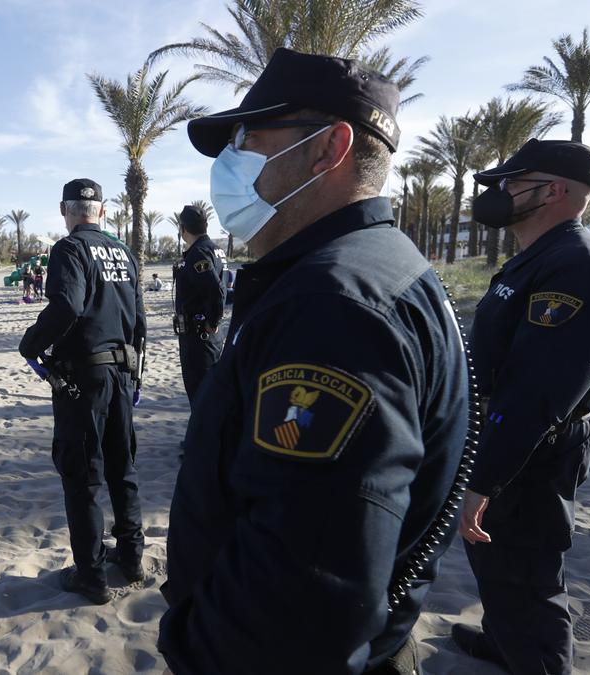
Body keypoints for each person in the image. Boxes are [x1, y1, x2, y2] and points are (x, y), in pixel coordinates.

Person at [156, 47, 471, 674]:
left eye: (247, 138)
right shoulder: (375, 264)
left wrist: (197, 648)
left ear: (329, 148)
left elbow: (301, 603)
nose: (228, 161)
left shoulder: (333, 308)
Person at [452, 140, 590, 675]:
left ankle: (537, 660)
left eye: (513, 182)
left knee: (525, 571)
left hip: (534, 443)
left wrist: (484, 479)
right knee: (496, 560)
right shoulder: (540, 257)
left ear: (554, 190)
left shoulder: (583, 266)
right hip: (505, 430)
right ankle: (505, 640)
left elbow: (539, 391)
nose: (500, 193)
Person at [19, 178, 147, 606]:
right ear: (103, 211)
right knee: (121, 468)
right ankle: (131, 557)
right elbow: (140, 320)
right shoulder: (123, 252)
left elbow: (68, 306)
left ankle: (91, 574)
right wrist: (136, 376)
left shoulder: (69, 249)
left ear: (65, 210)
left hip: (86, 380)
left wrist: (32, 343)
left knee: (82, 475)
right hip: (123, 372)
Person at [171, 204, 226, 410]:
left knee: (200, 391)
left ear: (183, 229)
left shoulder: (199, 253)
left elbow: (214, 290)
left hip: (199, 335)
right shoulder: (215, 249)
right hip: (205, 335)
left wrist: (212, 321)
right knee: (208, 391)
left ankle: (205, 440)